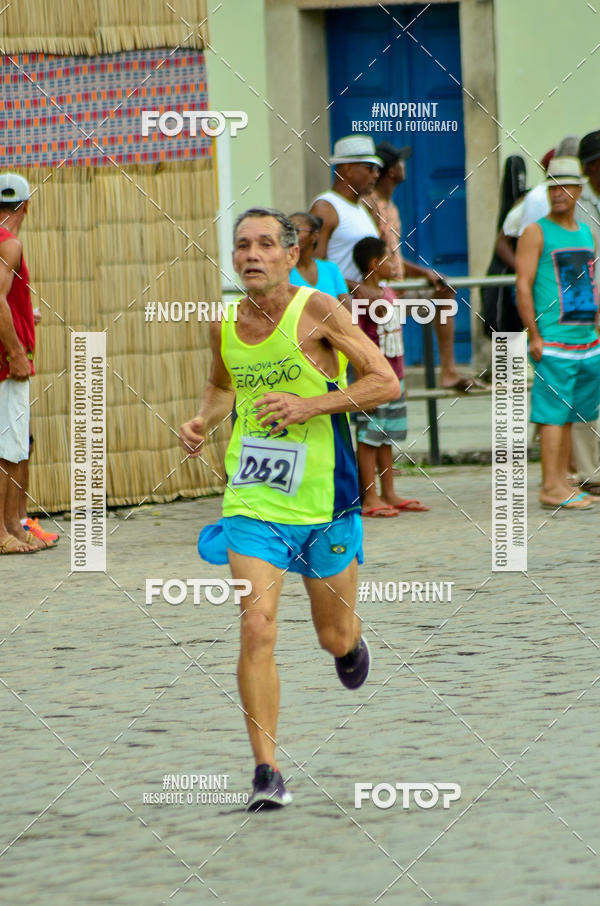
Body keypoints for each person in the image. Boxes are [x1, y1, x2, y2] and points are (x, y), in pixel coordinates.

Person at [179, 207, 400, 810]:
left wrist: (311, 407)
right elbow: (226, 384)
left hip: (325, 499)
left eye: (265, 245)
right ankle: (266, 770)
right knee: (257, 625)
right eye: (241, 246)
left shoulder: (319, 311)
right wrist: (205, 420)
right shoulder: (225, 323)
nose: (251, 255)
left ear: (289, 254)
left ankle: (352, 646)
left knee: (332, 635)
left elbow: (385, 382)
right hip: (252, 498)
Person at [363, 141, 484, 391]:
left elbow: (394, 257)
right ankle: (385, 381)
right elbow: (377, 256)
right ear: (391, 171)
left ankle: (448, 371)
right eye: (400, 161)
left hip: (400, 286)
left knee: (444, 291)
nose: (404, 165)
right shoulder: (371, 205)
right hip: (381, 290)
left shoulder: (391, 206)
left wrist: (427, 273)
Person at [516, 157, 600, 511]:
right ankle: (550, 487)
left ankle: (562, 482)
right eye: (552, 187)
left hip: (586, 337)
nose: (558, 194)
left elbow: (592, 282)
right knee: (552, 414)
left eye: (565, 187)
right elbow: (523, 284)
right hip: (553, 338)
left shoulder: (584, 231)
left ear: (579, 191)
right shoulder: (536, 231)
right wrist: (533, 334)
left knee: (572, 414)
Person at [352, 236, 429, 516]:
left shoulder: (389, 293)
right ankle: (369, 496)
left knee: (386, 436)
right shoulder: (360, 300)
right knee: (368, 437)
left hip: (394, 378)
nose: (393, 264)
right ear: (375, 263)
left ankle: (389, 491)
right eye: (387, 259)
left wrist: (401, 379)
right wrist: (364, 386)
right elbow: (357, 343)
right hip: (373, 380)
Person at [0, 173, 48, 554]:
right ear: (27, 206)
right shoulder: (9, 244)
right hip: (6, 362)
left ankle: (13, 526)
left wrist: (24, 315)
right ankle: (4, 531)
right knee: (8, 447)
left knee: (14, 445)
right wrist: (16, 352)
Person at [309, 134, 383, 299]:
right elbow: (312, 267)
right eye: (370, 167)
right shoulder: (325, 208)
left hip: (372, 311)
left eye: (378, 169)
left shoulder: (364, 207)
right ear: (348, 169)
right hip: (342, 312)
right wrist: (353, 286)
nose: (376, 175)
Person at [288, 211, 349, 305]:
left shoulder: (331, 269)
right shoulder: (284, 270)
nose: (290, 237)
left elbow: (348, 312)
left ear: (315, 236)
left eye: (296, 231)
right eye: (287, 232)